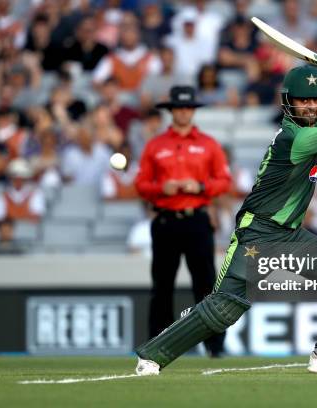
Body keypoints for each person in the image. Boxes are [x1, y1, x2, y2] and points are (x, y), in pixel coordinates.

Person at [134, 66, 317, 375]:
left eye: (316, 100)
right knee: (224, 308)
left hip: (289, 234)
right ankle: (152, 355)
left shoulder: (312, 134)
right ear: (289, 103)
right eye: (304, 101)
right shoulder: (297, 136)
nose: (311, 106)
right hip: (259, 233)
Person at [134, 85, 232, 359]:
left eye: (188, 108)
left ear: (193, 111)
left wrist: (200, 185)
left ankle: (215, 346)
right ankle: (157, 346)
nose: (184, 112)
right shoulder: (155, 145)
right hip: (166, 221)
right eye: (179, 108)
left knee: (206, 286)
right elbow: (141, 183)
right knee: (162, 286)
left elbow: (225, 181)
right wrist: (159, 189)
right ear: (172, 111)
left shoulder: (208, 144)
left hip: (197, 220)